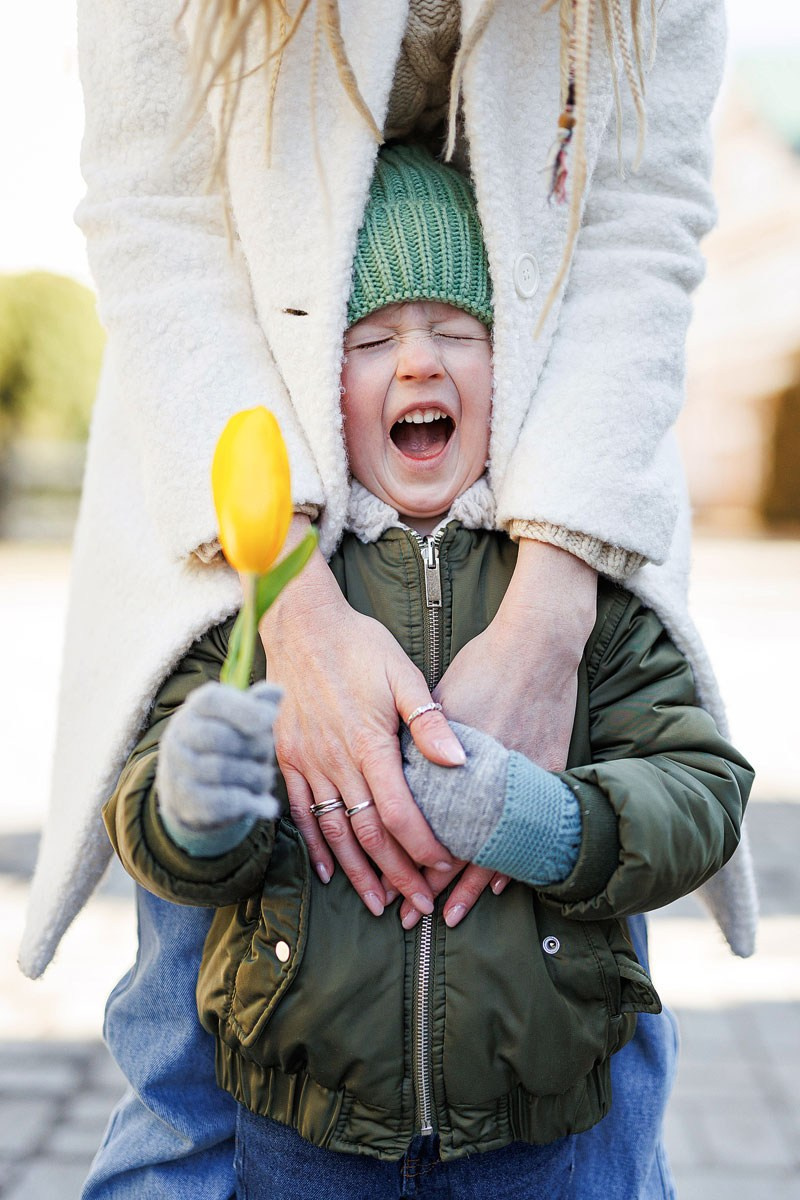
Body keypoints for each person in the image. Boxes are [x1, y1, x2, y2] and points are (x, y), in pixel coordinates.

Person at [19, 0, 758, 1193]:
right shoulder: (238, 628)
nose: (416, 360)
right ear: (323, 374)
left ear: (510, 359)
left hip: (532, 1128)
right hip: (302, 1128)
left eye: (456, 329)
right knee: (178, 1085)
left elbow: (695, 788)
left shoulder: (609, 625)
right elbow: (169, 816)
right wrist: (199, 799)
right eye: (370, 342)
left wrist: (547, 814)